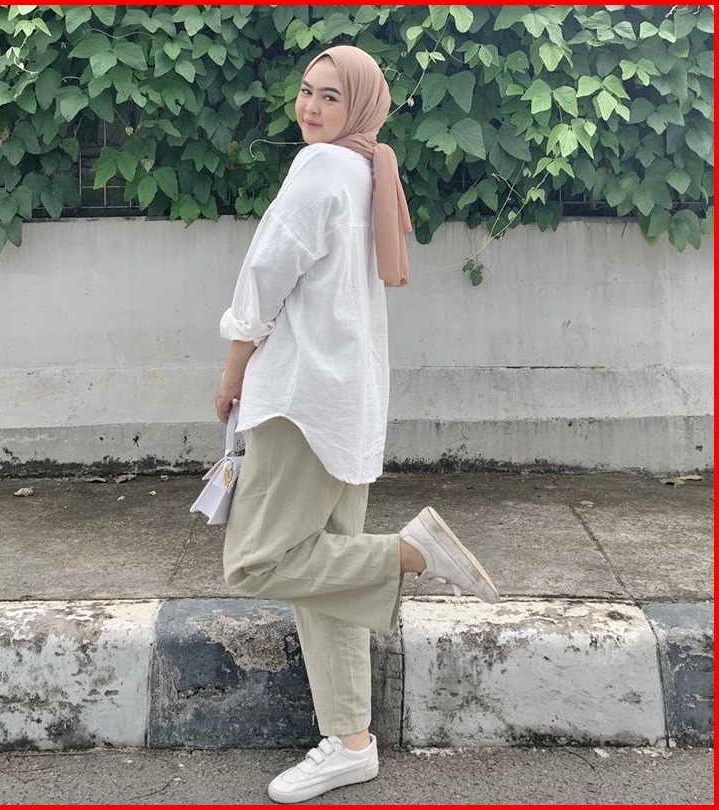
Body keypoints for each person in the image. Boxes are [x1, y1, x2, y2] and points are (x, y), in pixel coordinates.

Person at [213, 44, 499, 804]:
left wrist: (233, 370)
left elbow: (265, 275)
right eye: (307, 91)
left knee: (257, 561)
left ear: (361, 107)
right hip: (347, 402)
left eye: (331, 97)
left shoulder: (321, 168)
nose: (310, 107)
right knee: (327, 577)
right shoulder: (366, 170)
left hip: (300, 399)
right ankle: (350, 744)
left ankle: (412, 553)